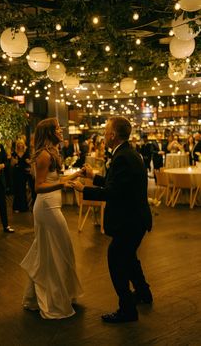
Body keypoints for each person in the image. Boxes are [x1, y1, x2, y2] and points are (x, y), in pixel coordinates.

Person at [71, 116, 152, 323]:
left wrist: (84, 189)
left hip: (129, 221)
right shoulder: (128, 153)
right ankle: (143, 293)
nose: (104, 134)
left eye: (106, 131)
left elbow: (114, 192)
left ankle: (127, 310)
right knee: (129, 257)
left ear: (113, 135)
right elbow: (118, 183)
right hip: (137, 219)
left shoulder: (122, 157)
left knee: (116, 260)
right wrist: (94, 176)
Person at [20, 117, 83, 319]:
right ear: (49, 133)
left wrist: (77, 174)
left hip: (52, 205)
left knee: (52, 252)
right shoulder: (44, 156)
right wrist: (61, 186)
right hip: (46, 208)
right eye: (57, 128)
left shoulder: (52, 153)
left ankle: (36, 298)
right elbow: (39, 187)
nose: (61, 130)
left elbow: (56, 179)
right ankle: (53, 302)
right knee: (56, 251)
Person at [11, 139, 30, 212]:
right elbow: (12, 165)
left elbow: (29, 162)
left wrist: (28, 162)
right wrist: (14, 162)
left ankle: (24, 207)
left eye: (21, 143)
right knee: (17, 190)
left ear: (23, 145)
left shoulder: (26, 153)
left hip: (23, 173)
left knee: (22, 189)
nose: (20, 145)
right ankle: (16, 207)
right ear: (17, 145)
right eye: (19, 144)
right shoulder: (14, 154)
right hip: (16, 173)